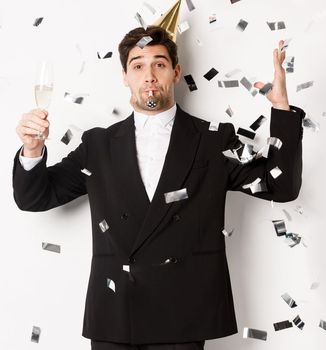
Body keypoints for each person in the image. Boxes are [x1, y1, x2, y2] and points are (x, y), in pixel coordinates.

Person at [12, 25, 304, 350]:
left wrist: (281, 110)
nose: (148, 75)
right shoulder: (97, 146)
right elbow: (33, 197)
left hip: (183, 315)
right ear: (125, 76)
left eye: (159, 64)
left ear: (176, 72)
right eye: (137, 65)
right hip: (115, 315)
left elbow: (280, 186)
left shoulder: (214, 140)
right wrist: (32, 149)